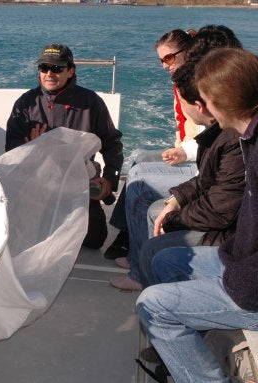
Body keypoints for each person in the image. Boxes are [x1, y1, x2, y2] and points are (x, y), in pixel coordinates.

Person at [136, 47, 258, 383]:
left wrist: (233, 282)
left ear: (216, 102)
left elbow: (223, 207)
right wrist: (177, 201)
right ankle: (180, 352)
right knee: (164, 261)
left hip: (249, 285)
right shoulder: (247, 138)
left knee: (152, 305)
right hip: (237, 258)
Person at [109, 56, 245, 291]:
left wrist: (174, 219)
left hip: (237, 240)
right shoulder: (223, 134)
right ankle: (143, 267)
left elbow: (220, 208)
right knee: (147, 181)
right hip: (230, 223)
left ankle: (154, 287)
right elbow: (207, 180)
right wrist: (178, 198)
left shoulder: (232, 139)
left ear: (199, 105)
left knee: (155, 245)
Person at [5, 43, 123, 249]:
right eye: (44, 68)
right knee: (21, 234)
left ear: (71, 71)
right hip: (36, 186)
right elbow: (11, 148)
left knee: (94, 238)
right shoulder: (25, 104)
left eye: (57, 68)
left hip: (77, 183)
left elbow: (112, 143)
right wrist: (31, 148)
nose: (49, 73)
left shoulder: (91, 102)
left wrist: (110, 179)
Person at [104, 28, 201, 260]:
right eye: (161, 60)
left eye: (169, 58)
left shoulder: (200, 83)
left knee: (139, 176)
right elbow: (183, 123)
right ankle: (126, 231)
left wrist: (183, 151)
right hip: (187, 149)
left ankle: (132, 247)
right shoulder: (180, 81)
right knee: (139, 156)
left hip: (194, 158)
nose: (164, 65)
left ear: (187, 52)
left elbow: (211, 135)